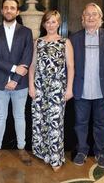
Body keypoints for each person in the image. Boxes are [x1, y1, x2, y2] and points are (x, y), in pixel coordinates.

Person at [70, 3, 104, 168]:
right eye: (87, 15)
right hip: (80, 89)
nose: (91, 17)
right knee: (80, 123)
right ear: (82, 19)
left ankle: (100, 151)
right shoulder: (74, 39)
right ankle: (82, 150)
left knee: (101, 123)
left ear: (100, 18)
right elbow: (69, 66)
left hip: (102, 89)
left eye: (94, 14)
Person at [0, 0, 33, 166]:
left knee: (20, 117)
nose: (9, 10)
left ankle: (22, 148)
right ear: (1, 10)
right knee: (0, 117)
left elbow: (27, 58)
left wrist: (15, 79)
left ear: (17, 11)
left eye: (12, 8)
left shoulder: (26, 32)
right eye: (6, 7)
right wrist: (14, 69)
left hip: (20, 84)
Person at [28, 10, 74, 172]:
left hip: (57, 88)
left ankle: (55, 158)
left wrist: (69, 89)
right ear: (44, 24)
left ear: (59, 23)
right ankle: (43, 153)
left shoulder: (65, 42)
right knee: (40, 122)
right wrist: (31, 86)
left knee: (55, 123)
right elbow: (32, 66)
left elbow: (70, 67)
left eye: (53, 21)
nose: (50, 25)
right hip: (39, 87)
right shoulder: (38, 42)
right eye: (48, 22)